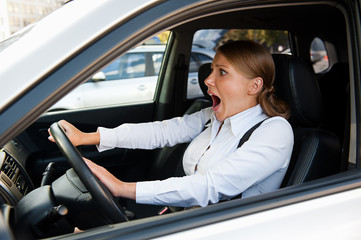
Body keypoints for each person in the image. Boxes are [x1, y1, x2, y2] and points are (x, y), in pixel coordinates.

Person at [48, 40, 294, 208]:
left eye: (222, 72)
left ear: (254, 86)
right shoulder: (213, 116)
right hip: (187, 216)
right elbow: (160, 132)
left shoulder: (274, 132)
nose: (207, 79)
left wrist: (123, 188)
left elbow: (210, 187)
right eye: (211, 69)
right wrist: (87, 137)